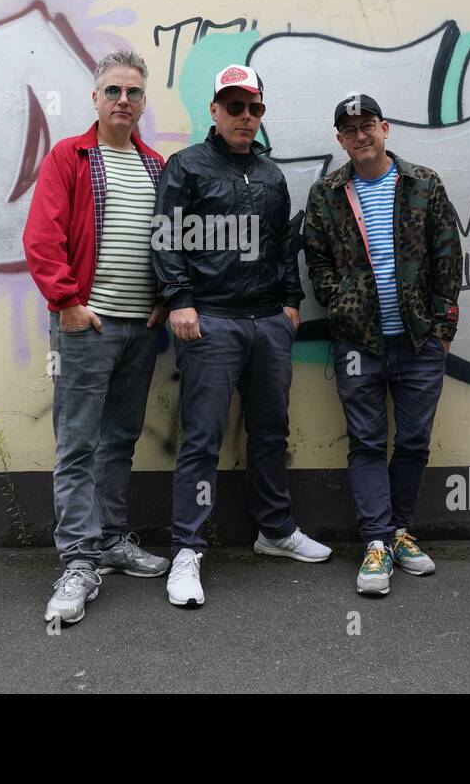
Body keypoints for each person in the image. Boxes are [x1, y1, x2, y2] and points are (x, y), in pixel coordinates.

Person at [153, 64, 332, 609]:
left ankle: (274, 531)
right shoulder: (186, 167)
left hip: (267, 324)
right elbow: (165, 238)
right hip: (211, 321)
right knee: (202, 439)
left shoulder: (272, 175)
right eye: (234, 107)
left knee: (271, 430)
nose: (245, 117)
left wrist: (290, 305)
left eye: (253, 108)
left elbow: (282, 245)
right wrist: (180, 300)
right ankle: (187, 549)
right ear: (214, 111)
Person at [23, 50, 170, 625]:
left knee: (120, 438)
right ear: (95, 97)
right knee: (78, 442)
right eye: (113, 91)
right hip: (89, 325)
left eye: (133, 92)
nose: (123, 101)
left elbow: (169, 241)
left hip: (142, 329)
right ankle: (79, 561)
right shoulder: (70, 156)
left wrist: (164, 299)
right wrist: (67, 303)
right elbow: (42, 236)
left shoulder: (157, 165)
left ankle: (109, 539)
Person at [302, 93, 462, 595]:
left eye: (368, 125)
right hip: (357, 344)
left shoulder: (424, 184)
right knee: (367, 443)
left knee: (412, 442)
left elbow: (447, 257)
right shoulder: (327, 194)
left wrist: (442, 329)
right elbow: (318, 264)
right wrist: (344, 304)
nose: (360, 135)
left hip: (418, 343)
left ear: (385, 128)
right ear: (340, 139)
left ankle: (400, 532)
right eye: (350, 129)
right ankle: (375, 543)